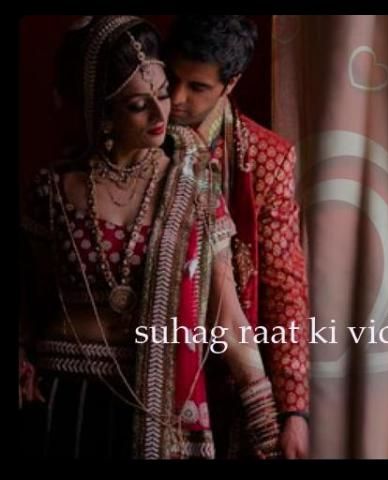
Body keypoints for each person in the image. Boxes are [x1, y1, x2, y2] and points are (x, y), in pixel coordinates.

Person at [19, 15, 281, 459]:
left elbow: (229, 320)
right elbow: (30, 296)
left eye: (162, 94)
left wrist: (268, 428)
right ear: (104, 112)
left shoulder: (193, 187)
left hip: (155, 408)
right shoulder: (54, 190)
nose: (163, 114)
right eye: (139, 105)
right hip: (63, 403)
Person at [165, 15, 310, 459]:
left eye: (197, 87)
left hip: (228, 371)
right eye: (172, 78)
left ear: (231, 83)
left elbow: (284, 286)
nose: (176, 98)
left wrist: (293, 412)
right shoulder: (142, 136)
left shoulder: (265, 157)